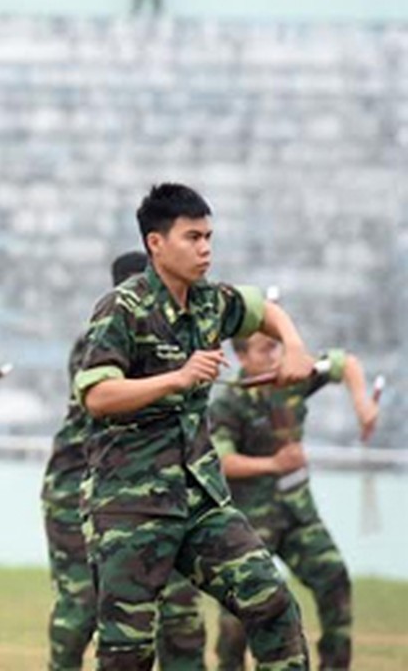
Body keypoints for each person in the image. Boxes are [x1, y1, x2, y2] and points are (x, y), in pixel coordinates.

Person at [75, 182, 312, 670]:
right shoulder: (122, 307)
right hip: (130, 503)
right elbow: (97, 395)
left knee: (271, 602)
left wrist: (293, 345)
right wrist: (177, 377)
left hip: (199, 498)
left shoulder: (210, 301)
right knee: (127, 653)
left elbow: (265, 311)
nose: (204, 249)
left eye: (208, 237)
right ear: (155, 243)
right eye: (192, 237)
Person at [42, 250, 205, 670]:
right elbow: (117, 401)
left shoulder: (179, 334)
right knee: (83, 607)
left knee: (181, 613)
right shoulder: (103, 337)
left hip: (158, 488)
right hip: (83, 486)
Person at [209, 333, 379, 671]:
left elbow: (346, 363)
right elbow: (223, 461)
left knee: (334, 578)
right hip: (251, 521)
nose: (274, 355)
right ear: (242, 358)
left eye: (276, 346)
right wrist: (273, 464)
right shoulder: (229, 402)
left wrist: (363, 404)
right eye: (264, 349)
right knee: (238, 612)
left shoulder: (293, 378)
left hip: (298, 513)